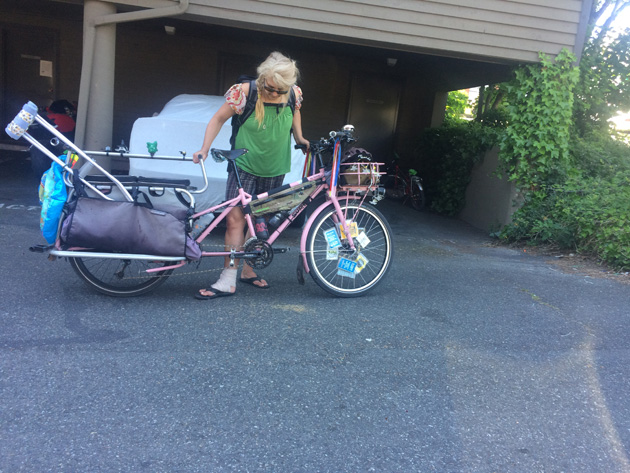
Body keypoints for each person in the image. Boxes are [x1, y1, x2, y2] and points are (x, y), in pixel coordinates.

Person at [192, 51, 310, 300]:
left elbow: (295, 110)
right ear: (263, 77)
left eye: (281, 90)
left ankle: (245, 269)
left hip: (276, 167)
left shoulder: (293, 93)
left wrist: (299, 137)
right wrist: (204, 148)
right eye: (271, 88)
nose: (276, 94)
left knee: (258, 222)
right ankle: (227, 279)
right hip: (243, 164)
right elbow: (217, 119)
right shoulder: (244, 92)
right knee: (236, 220)